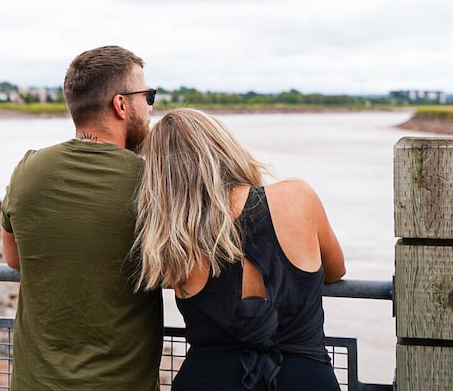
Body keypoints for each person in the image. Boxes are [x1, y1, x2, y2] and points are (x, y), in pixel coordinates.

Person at [133, 108, 346, 391]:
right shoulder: (298, 196)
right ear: (226, 146)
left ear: (162, 176)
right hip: (305, 378)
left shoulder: (172, 239)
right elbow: (336, 271)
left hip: (206, 380)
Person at [1, 45, 164, 390]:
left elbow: (14, 258)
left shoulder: (28, 169)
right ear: (121, 105)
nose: (150, 107)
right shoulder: (152, 182)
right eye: (147, 96)